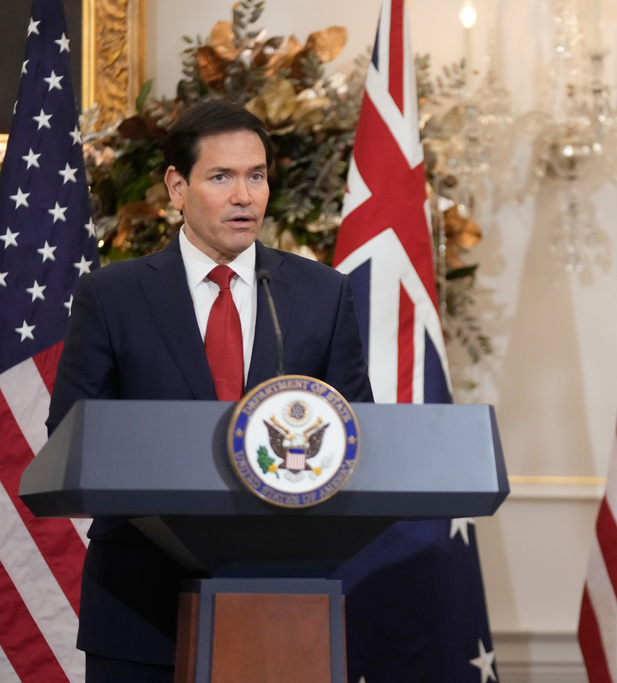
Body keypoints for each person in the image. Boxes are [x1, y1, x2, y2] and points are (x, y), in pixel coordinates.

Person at [46, 100, 374, 682]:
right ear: (177, 186)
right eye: (221, 177)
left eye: (256, 175)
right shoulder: (113, 297)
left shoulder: (322, 294)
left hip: (285, 607)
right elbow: (69, 440)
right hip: (139, 605)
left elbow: (360, 438)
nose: (244, 195)